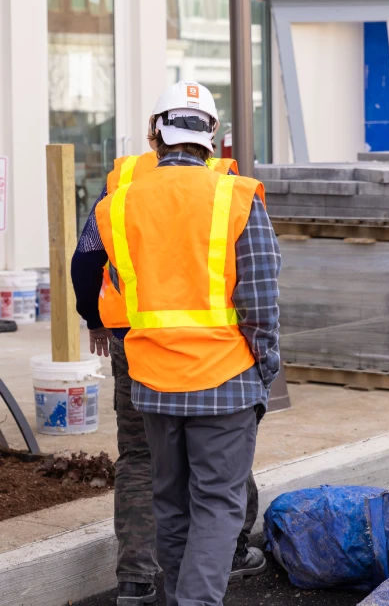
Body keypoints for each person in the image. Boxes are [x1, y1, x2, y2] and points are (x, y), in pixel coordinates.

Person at [89, 81, 281, 606]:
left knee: (169, 503)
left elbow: (120, 287)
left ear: (155, 135)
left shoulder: (117, 205)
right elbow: (261, 301)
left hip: (152, 380)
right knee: (217, 504)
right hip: (224, 377)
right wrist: (266, 369)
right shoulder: (237, 197)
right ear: (212, 137)